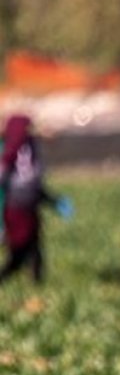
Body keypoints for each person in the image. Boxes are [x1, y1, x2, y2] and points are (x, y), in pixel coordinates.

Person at [0, 114, 73, 285]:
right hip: (17, 205)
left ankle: (36, 282)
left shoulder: (26, 148)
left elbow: (33, 183)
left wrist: (53, 200)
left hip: (27, 204)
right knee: (21, 249)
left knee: (34, 247)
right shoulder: (10, 153)